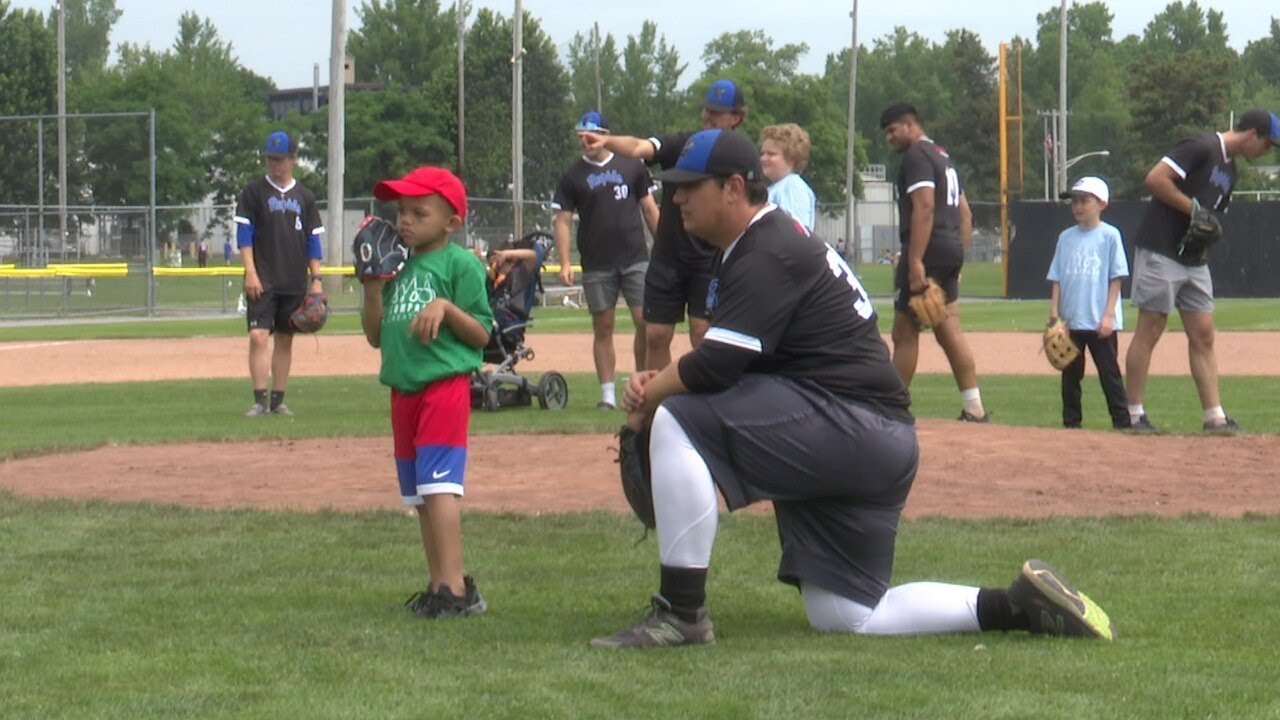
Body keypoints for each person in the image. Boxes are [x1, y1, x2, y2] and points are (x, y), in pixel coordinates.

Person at [589, 129, 1114, 648]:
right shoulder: (759, 244)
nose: (675, 196)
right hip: (870, 439)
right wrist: (659, 384)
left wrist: (651, 394)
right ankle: (1016, 605)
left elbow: (718, 367)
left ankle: (682, 613)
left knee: (679, 417)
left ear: (731, 187)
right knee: (845, 613)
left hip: (849, 426)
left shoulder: (766, 247)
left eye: (689, 185)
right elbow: (737, 361)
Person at [360, 165, 492, 619]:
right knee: (419, 494)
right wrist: (373, 289)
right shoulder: (396, 265)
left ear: (452, 222)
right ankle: (437, 584)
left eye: (420, 212)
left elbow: (482, 335)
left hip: (443, 385)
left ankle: (456, 589)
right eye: (401, 212)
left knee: (439, 488)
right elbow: (376, 336)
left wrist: (446, 307)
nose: (405, 221)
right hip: (403, 389)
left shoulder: (460, 264)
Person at [1124, 108, 1279, 434]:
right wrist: (1192, 208)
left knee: (1204, 334)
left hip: (1193, 259)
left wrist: (1207, 234)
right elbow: (1155, 179)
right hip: (1161, 248)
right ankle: (1134, 415)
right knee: (1151, 328)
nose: (1266, 151)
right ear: (1252, 134)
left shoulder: (1231, 171)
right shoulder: (1201, 146)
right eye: (1267, 144)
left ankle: (1214, 417)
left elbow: (1210, 216)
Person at [579, 79, 749, 370]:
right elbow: (638, 147)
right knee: (656, 334)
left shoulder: (740, 156)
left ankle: (706, 402)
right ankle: (654, 405)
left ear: (736, 118)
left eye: (717, 112)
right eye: (706, 110)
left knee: (701, 332)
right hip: (669, 256)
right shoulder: (684, 144)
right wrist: (606, 141)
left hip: (710, 259)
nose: (708, 116)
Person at [880, 102, 989, 422]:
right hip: (949, 247)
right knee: (948, 329)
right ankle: (974, 407)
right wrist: (959, 257)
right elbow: (965, 214)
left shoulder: (916, 156)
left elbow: (924, 207)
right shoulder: (943, 157)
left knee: (904, 332)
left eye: (892, 130)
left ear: (910, 126)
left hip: (927, 250)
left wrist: (915, 260)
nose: (889, 138)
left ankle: (890, 409)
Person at [552, 111, 660, 409]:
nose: (586, 141)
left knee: (645, 322)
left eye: (591, 135)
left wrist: (665, 247)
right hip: (598, 261)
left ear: (605, 135)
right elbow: (562, 220)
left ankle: (641, 385)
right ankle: (608, 396)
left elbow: (650, 209)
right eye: (581, 136)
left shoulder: (631, 166)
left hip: (635, 257)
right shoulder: (573, 175)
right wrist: (563, 262)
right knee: (604, 326)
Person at [234, 130, 325, 417]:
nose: (274, 164)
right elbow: (244, 235)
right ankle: (259, 400)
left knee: (285, 338)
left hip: (294, 279)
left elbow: (313, 240)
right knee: (258, 336)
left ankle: (278, 401)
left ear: (293, 159)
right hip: (262, 278)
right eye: (270, 159)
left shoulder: (305, 196)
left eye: (280, 159)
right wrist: (250, 272)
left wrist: (317, 281)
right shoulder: (253, 192)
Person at [1046, 176, 1130, 430]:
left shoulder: (1109, 236)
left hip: (1099, 321)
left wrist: (1108, 316)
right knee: (1070, 376)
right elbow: (1057, 278)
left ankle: (1122, 422)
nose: (1078, 206)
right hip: (1071, 321)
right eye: (1075, 202)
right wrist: (1055, 316)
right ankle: (1071, 424)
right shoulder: (1065, 237)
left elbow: (1116, 278)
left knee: (1109, 374)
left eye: (1085, 201)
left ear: (1101, 204)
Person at [759, 123, 817, 233]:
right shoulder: (776, 188)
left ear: (791, 158)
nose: (763, 158)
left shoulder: (793, 187)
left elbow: (796, 233)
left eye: (771, 154)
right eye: (763, 153)